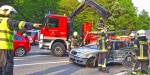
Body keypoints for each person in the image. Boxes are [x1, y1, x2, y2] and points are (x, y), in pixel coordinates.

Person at [0, 5, 41, 75]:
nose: (11, 15)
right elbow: (19, 24)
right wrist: (32, 25)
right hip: (5, 48)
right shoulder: (7, 21)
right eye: (11, 13)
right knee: (7, 67)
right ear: (7, 12)